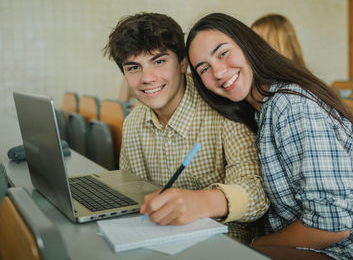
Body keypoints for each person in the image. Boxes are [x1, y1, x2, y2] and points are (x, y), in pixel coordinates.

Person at [186, 13, 353, 259]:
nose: (219, 72)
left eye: (222, 53)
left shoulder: (289, 106)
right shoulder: (258, 110)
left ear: (247, 44)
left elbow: (333, 226)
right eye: (204, 68)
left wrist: (257, 245)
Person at [103, 12, 268, 244]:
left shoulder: (222, 108)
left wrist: (203, 201)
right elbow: (135, 197)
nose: (147, 78)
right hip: (160, 240)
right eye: (133, 68)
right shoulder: (133, 123)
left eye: (159, 61)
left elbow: (257, 192)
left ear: (182, 63)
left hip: (226, 243)